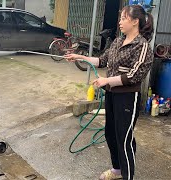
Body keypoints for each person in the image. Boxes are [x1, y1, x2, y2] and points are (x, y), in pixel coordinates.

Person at [64, 5, 154, 180]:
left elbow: (133, 76)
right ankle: (117, 170)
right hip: (112, 95)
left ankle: (129, 176)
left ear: (135, 21)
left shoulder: (142, 46)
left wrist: (106, 81)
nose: (119, 22)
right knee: (110, 133)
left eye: (123, 18)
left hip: (128, 97)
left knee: (124, 137)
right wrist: (80, 57)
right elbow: (102, 60)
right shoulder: (118, 41)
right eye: (120, 18)